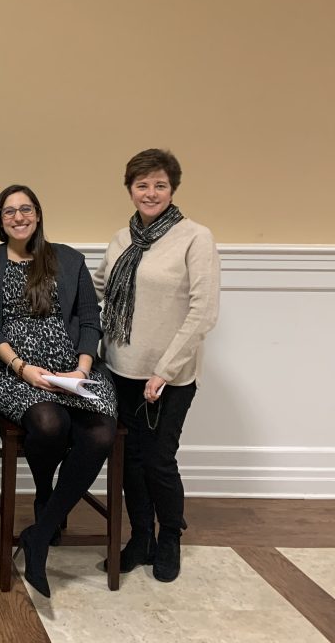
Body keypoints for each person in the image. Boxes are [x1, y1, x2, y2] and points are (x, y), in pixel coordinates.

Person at [0, 184, 117, 598]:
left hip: (72, 367)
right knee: (50, 423)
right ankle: (46, 490)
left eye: (26, 209)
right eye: (9, 211)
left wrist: (81, 368)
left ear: (37, 214)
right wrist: (22, 368)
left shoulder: (68, 259)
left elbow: (90, 318)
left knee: (101, 432)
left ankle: (41, 528)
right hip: (13, 369)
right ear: (0, 221)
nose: (18, 217)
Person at [94, 149, 220, 583]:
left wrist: (165, 370)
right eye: (142, 185)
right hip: (120, 370)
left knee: (159, 460)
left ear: (173, 189)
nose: (150, 193)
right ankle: (140, 537)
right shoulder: (121, 239)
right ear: (130, 189)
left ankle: (169, 538)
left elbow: (203, 311)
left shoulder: (195, 237)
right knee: (129, 461)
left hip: (169, 377)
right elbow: (97, 288)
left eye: (160, 185)